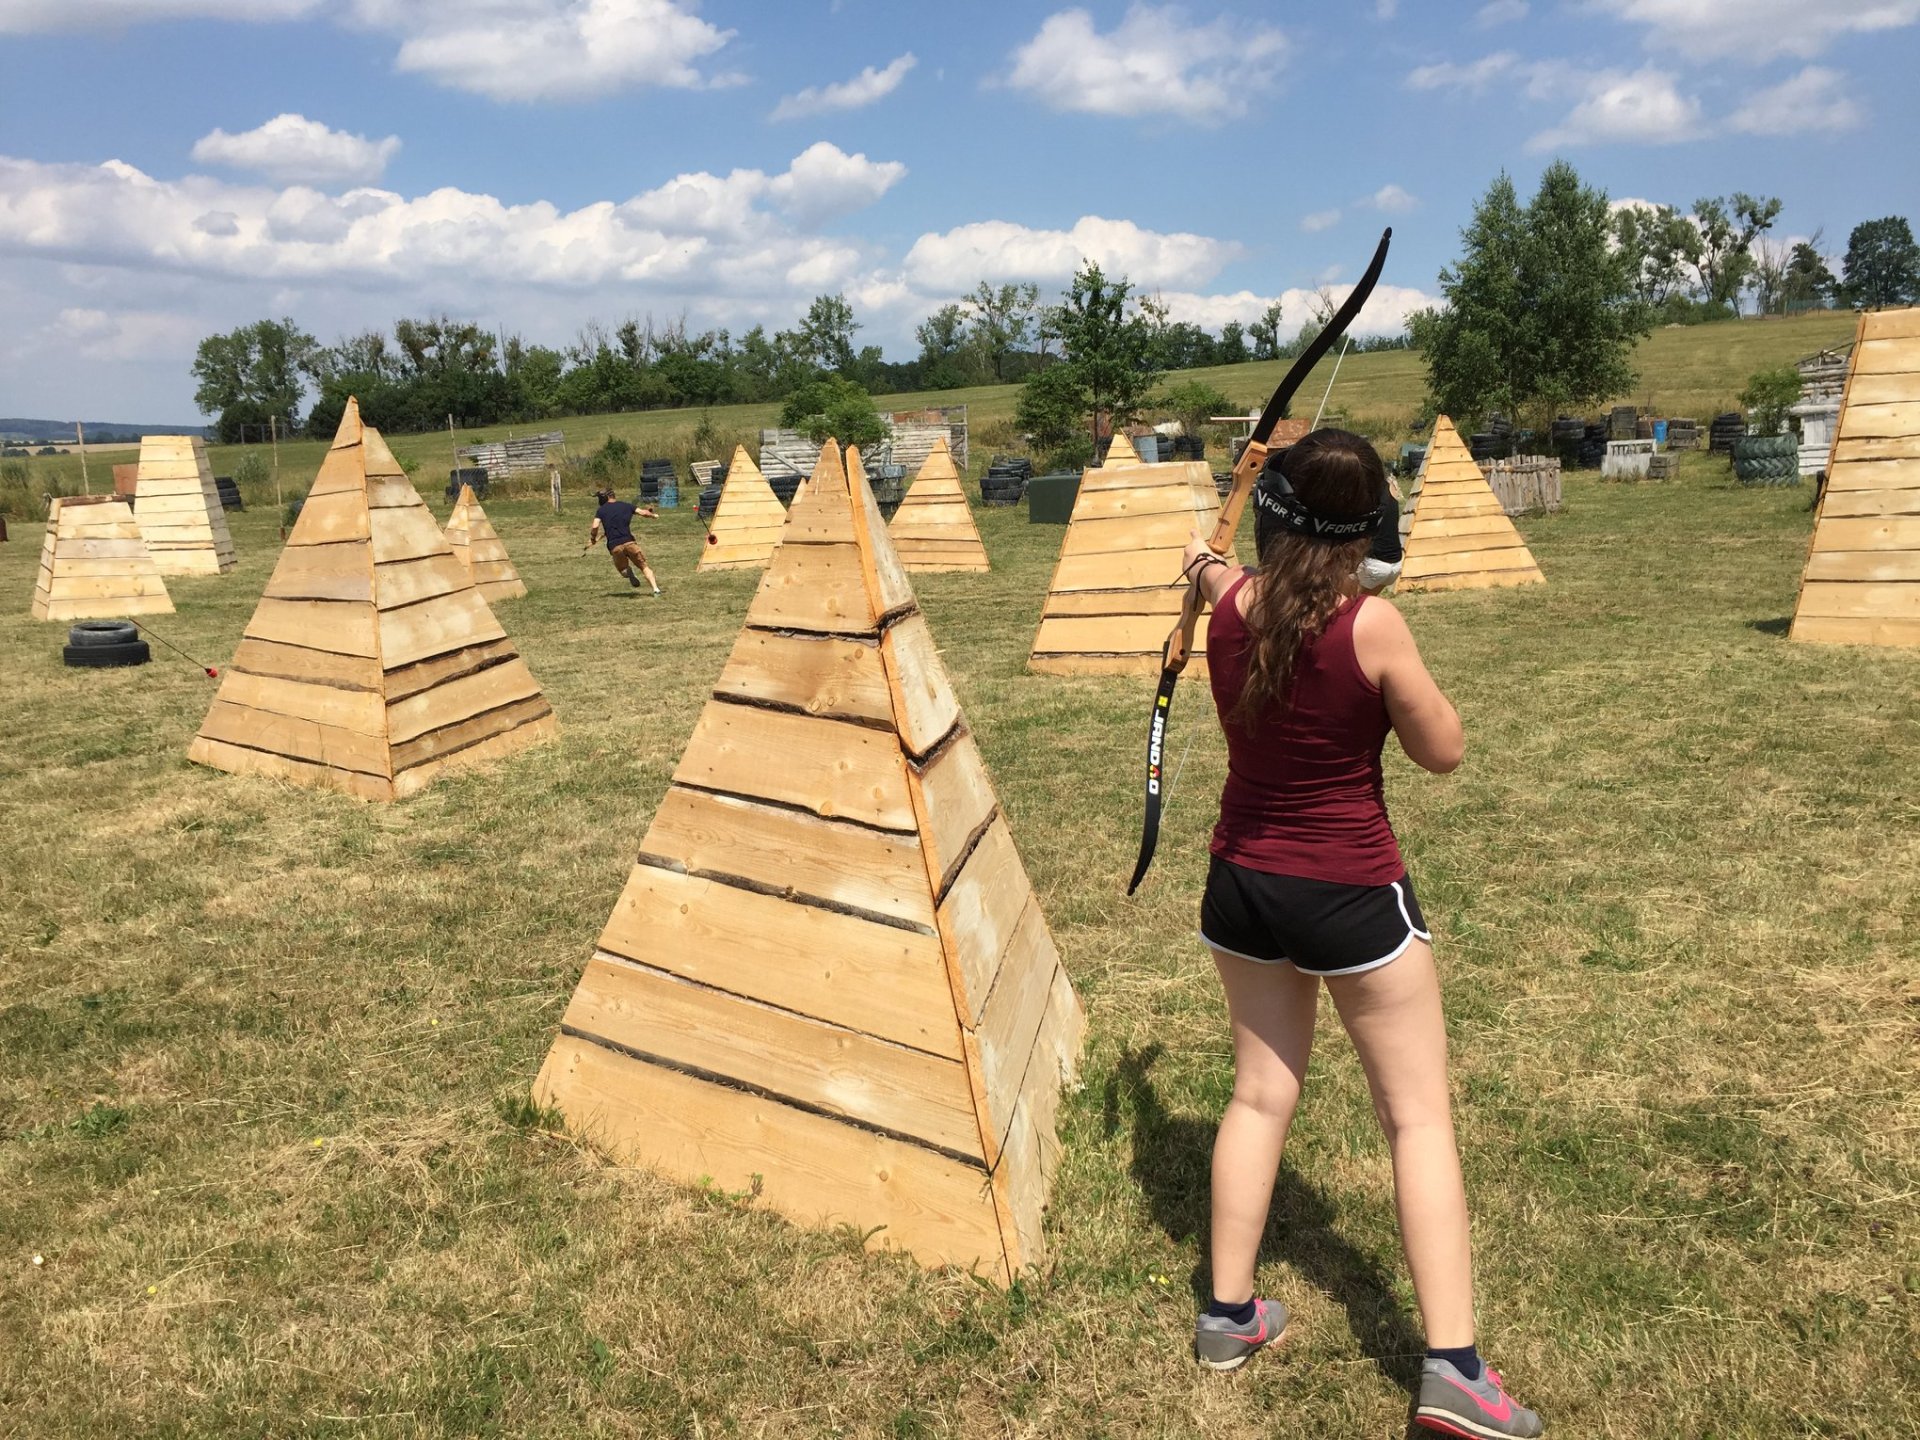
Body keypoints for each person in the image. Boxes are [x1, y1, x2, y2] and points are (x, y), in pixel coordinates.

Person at [1179, 430, 1542, 1438]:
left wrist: (1206, 567)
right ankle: (1456, 1374)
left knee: (1259, 1094)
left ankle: (1228, 1315)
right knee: (1418, 1119)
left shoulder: (1228, 604)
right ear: (1373, 528)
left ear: (1271, 513)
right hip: (1347, 893)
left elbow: (1219, 576)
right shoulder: (1372, 625)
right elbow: (1445, 752)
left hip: (1240, 885)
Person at [588, 488, 661, 595]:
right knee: (644, 566)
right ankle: (656, 589)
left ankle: (628, 572)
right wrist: (653, 515)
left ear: (605, 498)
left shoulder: (601, 510)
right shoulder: (626, 505)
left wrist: (593, 538)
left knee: (623, 570)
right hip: (629, 541)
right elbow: (643, 512)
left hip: (615, 546)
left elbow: (595, 526)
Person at [1358, 474, 1403, 594]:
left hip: (1372, 564)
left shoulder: (1361, 490)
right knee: (1359, 608)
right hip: (1394, 563)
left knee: (1341, 609)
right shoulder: (1390, 486)